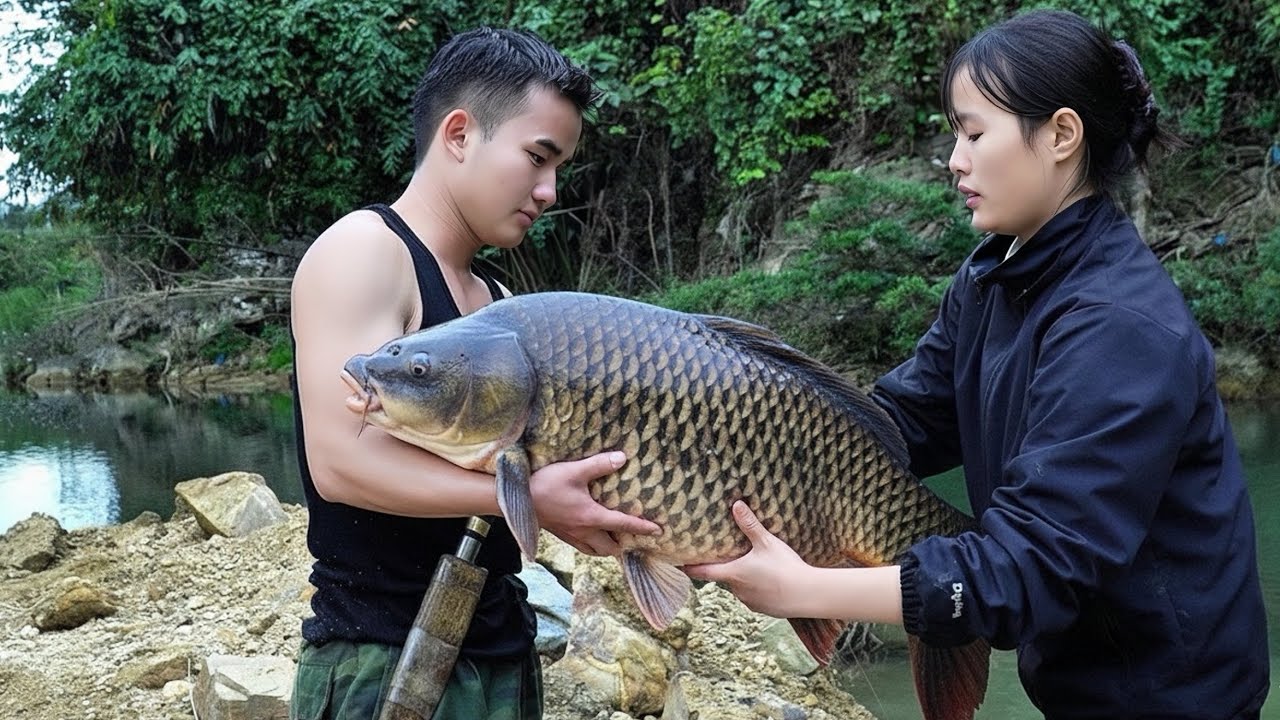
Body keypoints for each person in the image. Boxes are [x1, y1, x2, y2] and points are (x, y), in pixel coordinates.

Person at [685, 9, 1270, 719]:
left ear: (1060, 134)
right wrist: (713, 449)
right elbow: (899, 424)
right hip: (1072, 683)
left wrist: (803, 588)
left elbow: (1032, 569)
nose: (955, 160)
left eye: (973, 133)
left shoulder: (1122, 328)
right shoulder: (997, 274)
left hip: (1177, 701)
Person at [287, 27, 660, 720]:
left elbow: (543, 478)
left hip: (501, 651)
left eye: (560, 169)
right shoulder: (365, 251)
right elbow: (341, 463)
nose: (548, 191)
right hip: (380, 661)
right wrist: (526, 500)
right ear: (459, 133)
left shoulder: (504, 304)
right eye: (537, 157)